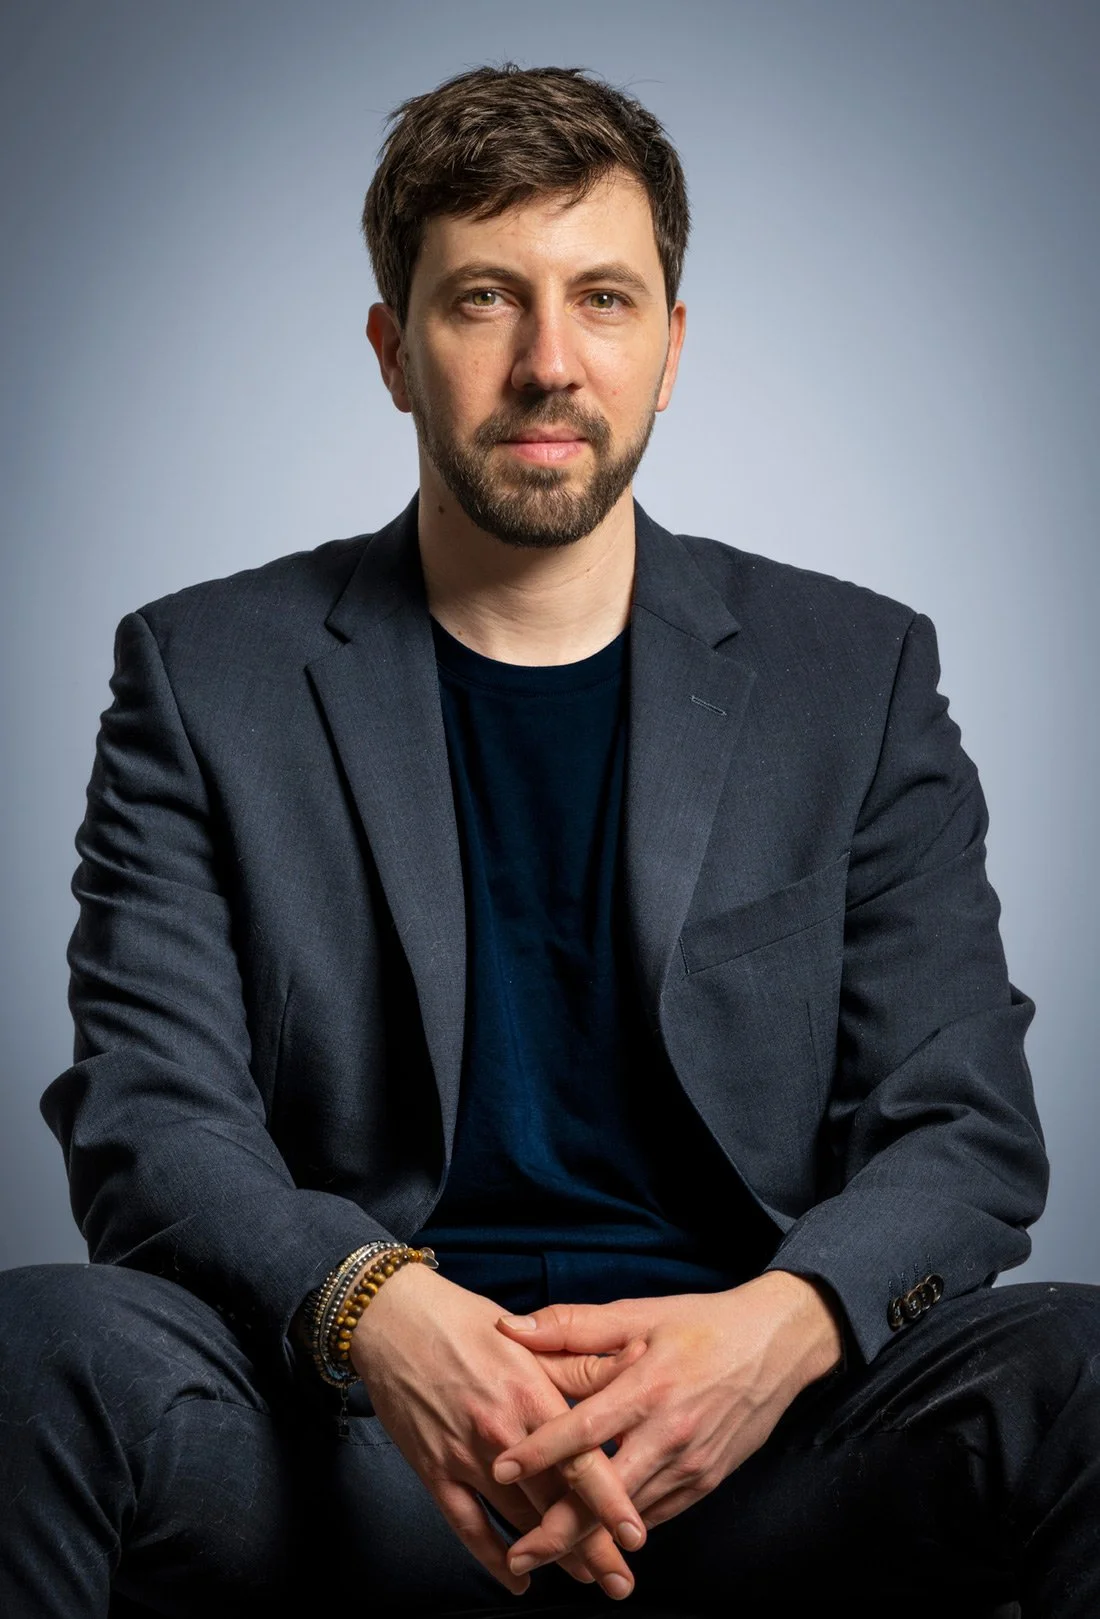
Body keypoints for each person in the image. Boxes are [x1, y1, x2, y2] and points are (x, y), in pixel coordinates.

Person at [0, 62, 1096, 1619]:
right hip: (352, 1443)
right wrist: (381, 1312)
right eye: (482, 302)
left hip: (753, 1443)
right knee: (39, 1348)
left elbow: (965, 1131)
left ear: (672, 348)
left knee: (1082, 1373)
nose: (548, 363)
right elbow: (151, 1117)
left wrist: (767, 1333)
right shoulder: (202, 674)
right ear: (392, 351)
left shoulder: (857, 673)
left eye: (604, 298)